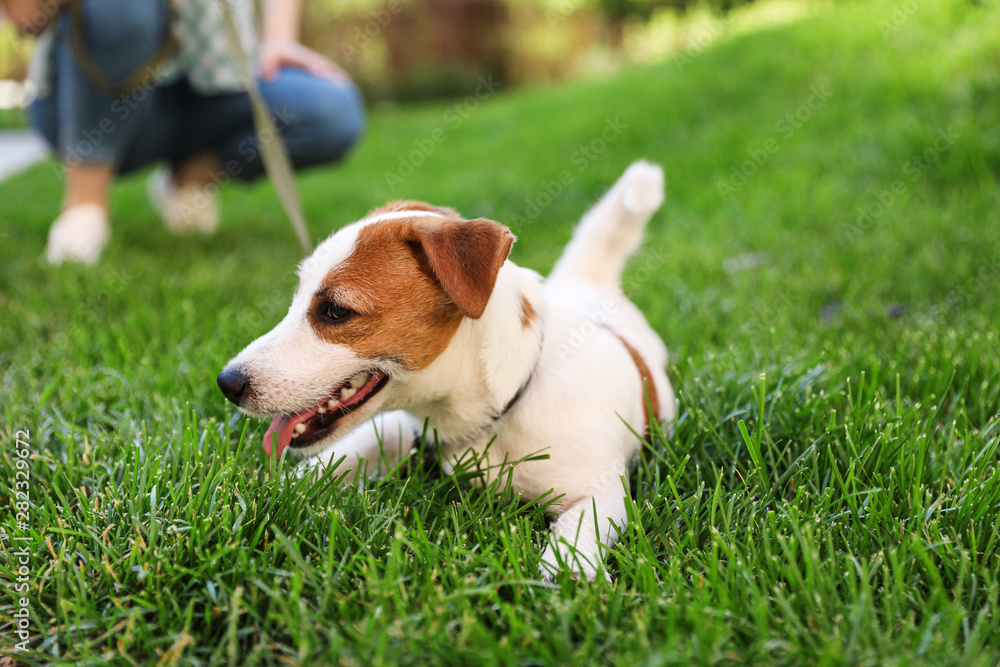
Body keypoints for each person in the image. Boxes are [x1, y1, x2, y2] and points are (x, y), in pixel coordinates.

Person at [1, 0, 365, 264]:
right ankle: (84, 206)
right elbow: (26, 18)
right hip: (87, 105)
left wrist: (279, 38)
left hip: (216, 85)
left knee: (331, 111)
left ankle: (186, 179)